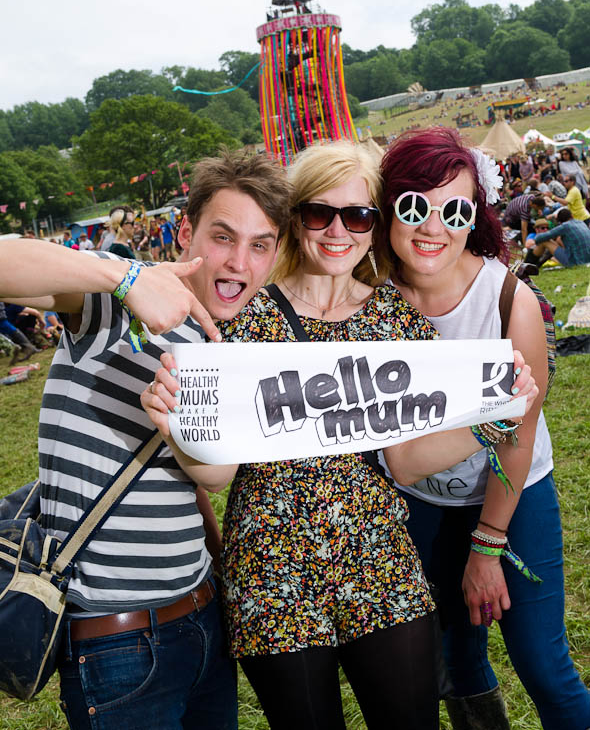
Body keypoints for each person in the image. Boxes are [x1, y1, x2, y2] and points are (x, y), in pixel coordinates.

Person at [142, 141, 537, 730]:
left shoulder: (396, 321)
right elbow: (217, 472)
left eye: (357, 216)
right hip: (273, 570)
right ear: (295, 217)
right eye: (318, 214)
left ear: (374, 225)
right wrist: (179, 430)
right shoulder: (246, 318)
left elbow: (403, 463)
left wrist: (489, 420)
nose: (337, 231)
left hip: (380, 559)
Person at [0, 147, 292, 730]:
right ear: (186, 231)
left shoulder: (226, 350)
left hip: (203, 619)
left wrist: (178, 431)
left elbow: (216, 475)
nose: (238, 261)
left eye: (260, 244)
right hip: (117, 637)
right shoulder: (116, 305)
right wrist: (125, 274)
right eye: (223, 236)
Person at [381, 126, 590, 730]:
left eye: (454, 210)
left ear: (474, 216)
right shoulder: (372, 304)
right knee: (455, 656)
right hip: (420, 497)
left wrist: (487, 545)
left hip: (511, 493)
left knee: (542, 663)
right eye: (414, 205)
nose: (432, 226)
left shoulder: (508, 303)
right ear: (389, 205)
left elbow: (517, 435)